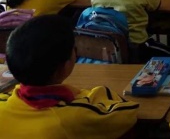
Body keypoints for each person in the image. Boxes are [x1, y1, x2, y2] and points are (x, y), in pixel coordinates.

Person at [0, 15, 138, 139]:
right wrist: (87, 92)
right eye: (74, 49)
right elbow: (128, 112)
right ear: (66, 66)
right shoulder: (73, 117)